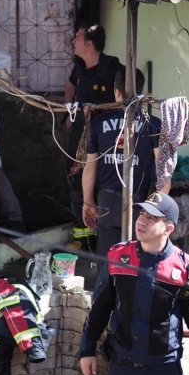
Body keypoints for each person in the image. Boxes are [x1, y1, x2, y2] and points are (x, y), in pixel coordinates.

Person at [79, 192, 189, 375]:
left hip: (164, 370)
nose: (142, 220)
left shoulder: (186, 269)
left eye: (152, 217)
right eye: (142, 213)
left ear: (169, 229)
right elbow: (99, 309)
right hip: (123, 367)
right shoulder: (117, 257)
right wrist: (87, 351)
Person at [82, 66, 170, 256]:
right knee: (138, 259)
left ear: (117, 91)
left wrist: (88, 202)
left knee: (108, 260)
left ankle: (107, 286)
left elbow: (90, 168)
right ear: (143, 94)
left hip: (107, 202)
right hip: (142, 205)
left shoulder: (98, 123)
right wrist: (157, 209)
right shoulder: (153, 124)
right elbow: (165, 171)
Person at [65, 23, 121, 240]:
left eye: (77, 37)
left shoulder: (113, 68)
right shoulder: (79, 67)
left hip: (106, 134)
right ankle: (82, 232)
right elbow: (70, 87)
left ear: (89, 43)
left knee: (100, 178)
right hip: (81, 132)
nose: (73, 41)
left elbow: (126, 95)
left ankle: (101, 230)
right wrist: (70, 110)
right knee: (75, 175)